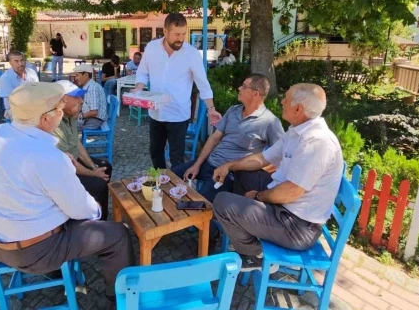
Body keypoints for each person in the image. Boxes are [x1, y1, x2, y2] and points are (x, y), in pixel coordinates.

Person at [0, 82, 134, 301]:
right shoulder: (46, 155)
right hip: (36, 251)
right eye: (59, 110)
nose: (62, 114)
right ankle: (120, 301)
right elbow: (81, 209)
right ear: (45, 119)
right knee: (118, 234)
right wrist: (97, 213)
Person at [212, 83, 343, 272]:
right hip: (283, 207)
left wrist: (258, 196)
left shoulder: (317, 142)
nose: (282, 101)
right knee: (242, 171)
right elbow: (262, 158)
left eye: (286, 99)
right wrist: (229, 165)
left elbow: (292, 192)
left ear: (298, 109)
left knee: (223, 202)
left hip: (296, 226)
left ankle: (255, 255)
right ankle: (247, 229)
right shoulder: (297, 131)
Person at [172, 74, 284, 202]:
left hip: (227, 174)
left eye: (244, 86)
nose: (239, 88)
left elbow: (279, 154)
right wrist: (197, 164)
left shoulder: (270, 122)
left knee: (198, 204)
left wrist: (257, 170)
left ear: (255, 94)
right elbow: (214, 138)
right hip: (208, 163)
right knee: (169, 176)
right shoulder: (233, 110)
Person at [132, 13, 222, 169]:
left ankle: (177, 189)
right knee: (155, 151)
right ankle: (161, 183)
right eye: (176, 34)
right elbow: (142, 72)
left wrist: (211, 108)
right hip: (156, 111)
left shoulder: (192, 54)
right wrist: (138, 88)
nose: (181, 38)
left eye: (183, 34)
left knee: (177, 157)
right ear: (165, 32)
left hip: (178, 114)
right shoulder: (152, 48)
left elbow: (203, 84)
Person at [54, 80, 113, 220]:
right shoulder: (54, 121)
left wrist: (94, 167)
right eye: (76, 97)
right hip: (63, 170)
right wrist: (92, 173)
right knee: (98, 184)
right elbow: (67, 161)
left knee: (105, 166)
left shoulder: (70, 116)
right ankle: (93, 220)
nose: (81, 100)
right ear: (61, 101)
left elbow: (77, 145)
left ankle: (100, 213)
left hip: (72, 160)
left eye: (81, 96)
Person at [73, 64, 108, 130]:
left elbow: (94, 112)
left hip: (95, 120)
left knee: (71, 129)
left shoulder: (92, 88)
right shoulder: (87, 86)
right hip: (89, 117)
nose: (76, 78)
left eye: (77, 75)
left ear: (86, 75)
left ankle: (77, 140)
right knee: (69, 123)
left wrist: (80, 116)